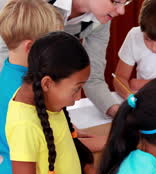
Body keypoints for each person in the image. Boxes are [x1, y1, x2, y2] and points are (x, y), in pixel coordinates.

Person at [6, 32, 95, 174]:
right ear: (47, 83)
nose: (77, 97)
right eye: (76, 89)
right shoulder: (26, 124)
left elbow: (65, 145)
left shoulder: (47, 100)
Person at [0, 0, 132, 117]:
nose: (122, 11)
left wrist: (115, 110)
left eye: (126, 2)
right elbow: (10, 52)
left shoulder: (101, 19)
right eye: (115, 1)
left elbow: (94, 77)